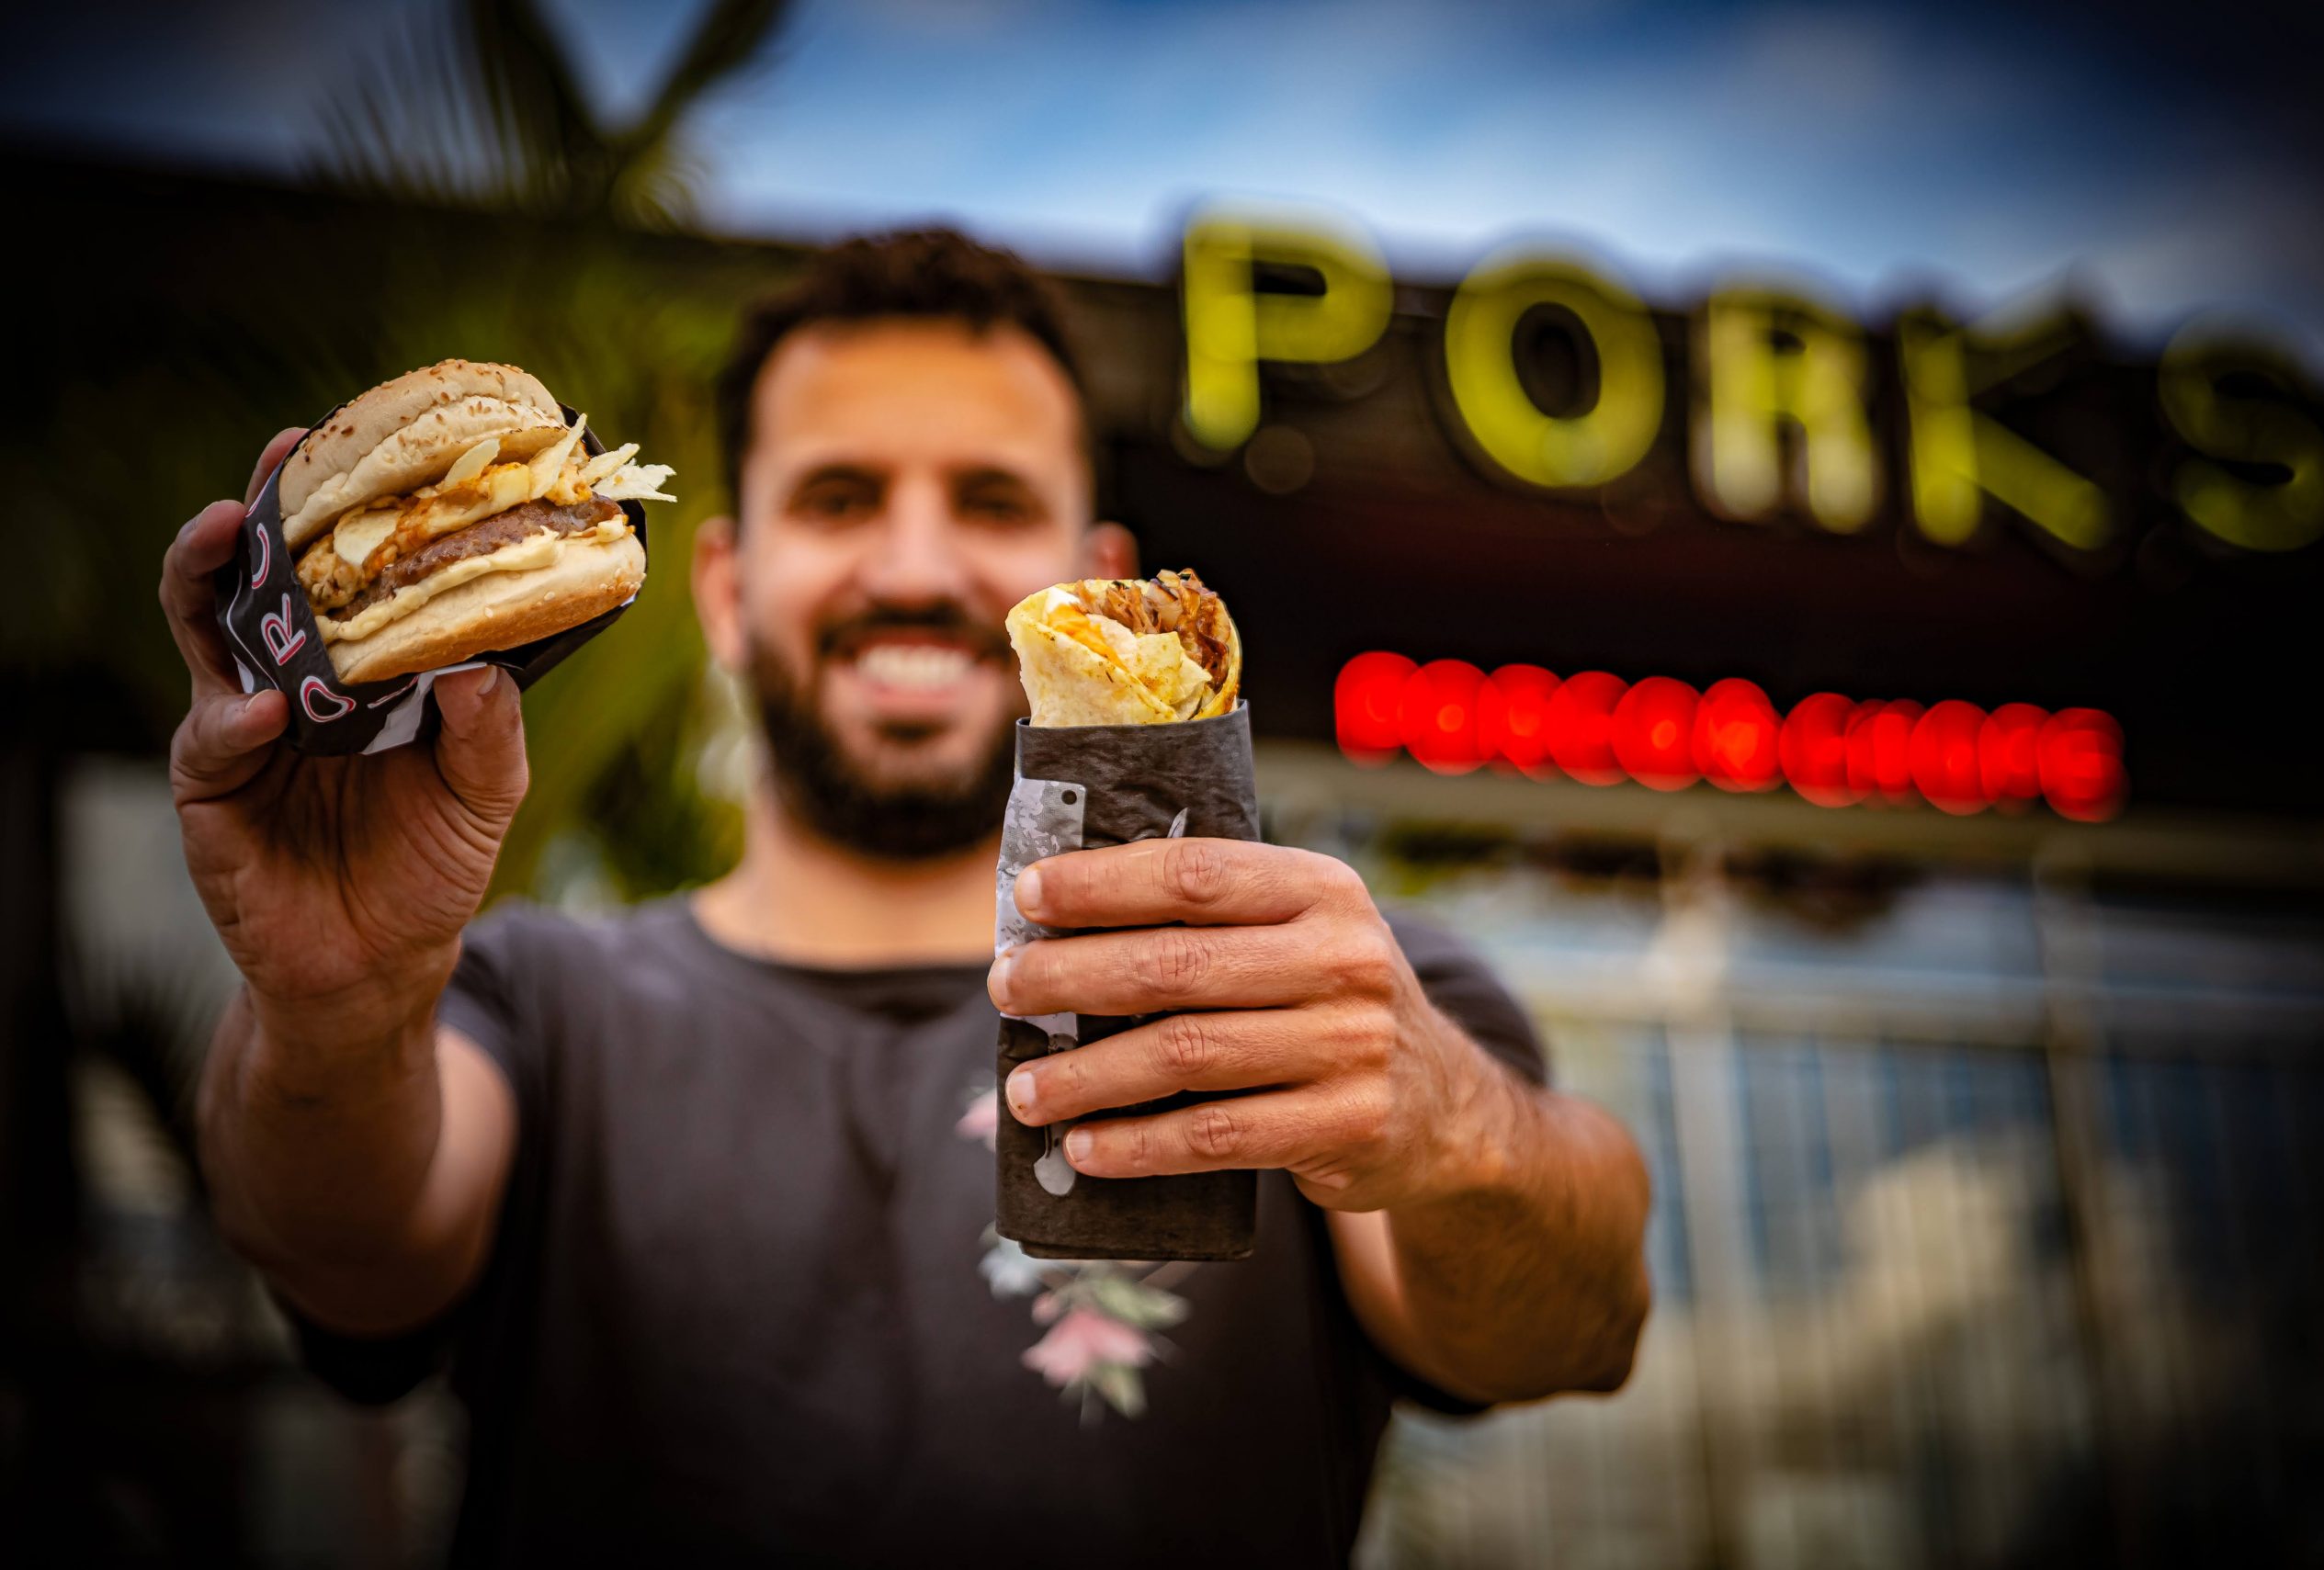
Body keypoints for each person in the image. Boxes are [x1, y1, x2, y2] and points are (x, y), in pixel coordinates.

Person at [161, 229, 1650, 1566]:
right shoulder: (535, 1002)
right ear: (730, 587)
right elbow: (346, 1251)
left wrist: (1453, 1121)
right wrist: (336, 1007)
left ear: (1098, 574)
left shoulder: (1312, 982)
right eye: (841, 494)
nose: (919, 564)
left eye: (993, 498)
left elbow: (1584, 1322)